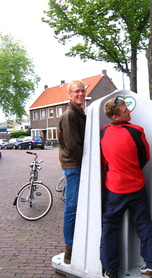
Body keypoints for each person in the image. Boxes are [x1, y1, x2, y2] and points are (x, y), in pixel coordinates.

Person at [100, 97, 152, 278]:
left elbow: (103, 161)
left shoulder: (102, 133)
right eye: (126, 111)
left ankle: (111, 270)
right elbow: (145, 157)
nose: (130, 112)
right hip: (136, 186)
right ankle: (150, 263)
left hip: (115, 189)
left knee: (110, 228)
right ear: (115, 116)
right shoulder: (136, 131)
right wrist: (133, 169)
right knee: (143, 223)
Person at [58, 80, 87, 264]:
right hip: (74, 166)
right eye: (76, 91)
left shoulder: (79, 113)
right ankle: (69, 248)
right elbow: (73, 145)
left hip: (77, 165)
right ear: (69, 94)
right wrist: (90, 162)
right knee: (72, 207)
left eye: (82, 91)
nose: (80, 94)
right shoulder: (70, 115)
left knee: (75, 206)